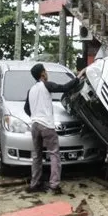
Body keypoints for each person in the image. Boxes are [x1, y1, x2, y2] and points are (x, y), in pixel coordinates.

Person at [24, 63, 83, 194]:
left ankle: (35, 184)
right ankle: (54, 185)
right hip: (46, 126)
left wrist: (35, 116)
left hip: (35, 125)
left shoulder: (31, 90)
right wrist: (78, 77)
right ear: (42, 74)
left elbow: (26, 109)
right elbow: (65, 88)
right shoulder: (46, 85)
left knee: (37, 156)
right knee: (54, 154)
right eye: (45, 71)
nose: (47, 73)